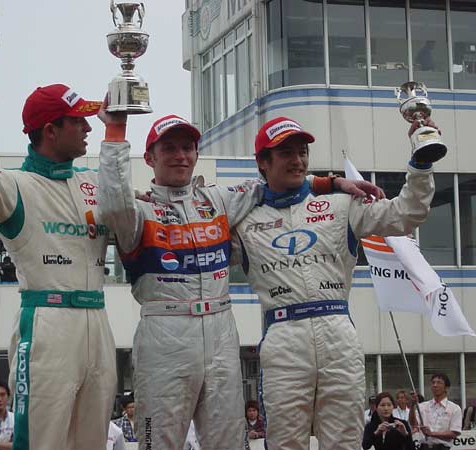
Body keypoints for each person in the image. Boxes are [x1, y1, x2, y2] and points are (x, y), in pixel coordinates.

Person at [97, 107, 378, 449]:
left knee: (228, 441)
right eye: (169, 148)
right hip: (165, 331)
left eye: (187, 147)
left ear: (196, 154)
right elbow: (113, 202)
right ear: (149, 158)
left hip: (221, 330)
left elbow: (277, 182)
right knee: (159, 441)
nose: (180, 155)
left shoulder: (219, 199)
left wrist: (329, 182)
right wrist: (115, 132)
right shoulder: (137, 210)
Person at [0, 51, 117, 449]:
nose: (88, 127)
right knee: (41, 439)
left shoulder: (92, 182)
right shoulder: (14, 186)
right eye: (77, 120)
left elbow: (131, 211)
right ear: (50, 130)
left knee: (93, 441)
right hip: (47, 322)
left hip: (98, 319)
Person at [232, 115, 437, 450]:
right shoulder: (243, 217)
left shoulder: (342, 203)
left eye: (302, 152)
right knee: (285, 442)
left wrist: (421, 163)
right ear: (262, 162)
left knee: (345, 440)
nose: (297, 160)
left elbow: (408, 213)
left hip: (337, 332)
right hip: (283, 335)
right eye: (286, 153)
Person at [410, 373, 462, 450]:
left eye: (439, 383)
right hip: (424, 447)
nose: (435, 385)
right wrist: (412, 405)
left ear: (446, 388)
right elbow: (413, 424)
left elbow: (454, 433)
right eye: (433, 382)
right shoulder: (423, 406)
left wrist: (432, 434)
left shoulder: (454, 408)